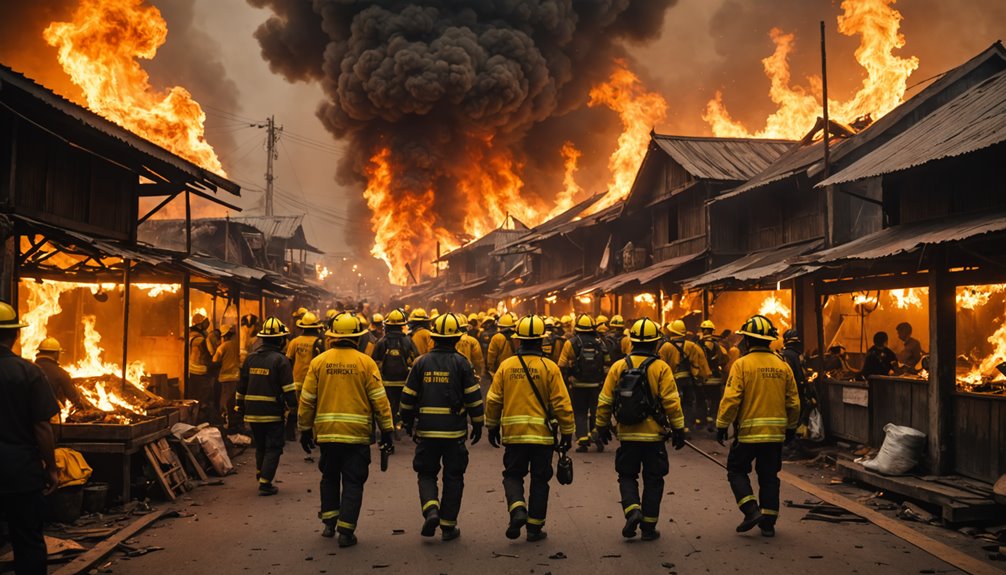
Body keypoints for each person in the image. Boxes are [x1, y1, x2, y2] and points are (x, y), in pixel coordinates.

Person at [299, 313, 394, 548]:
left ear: (331, 336)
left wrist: (304, 429)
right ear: (357, 337)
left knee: (329, 477)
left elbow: (308, 399)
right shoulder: (365, 362)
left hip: (328, 435)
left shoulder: (319, 362)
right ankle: (346, 532)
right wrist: (388, 430)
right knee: (353, 481)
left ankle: (329, 524)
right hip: (357, 436)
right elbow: (379, 400)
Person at [594, 318, 686, 541]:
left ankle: (632, 510)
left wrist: (601, 425)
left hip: (627, 434)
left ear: (632, 341)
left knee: (627, 475)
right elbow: (672, 402)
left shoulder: (619, 366)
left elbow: (605, 400)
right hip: (654, 436)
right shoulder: (661, 367)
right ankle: (648, 527)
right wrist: (679, 428)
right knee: (654, 479)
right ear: (656, 342)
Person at [485, 315, 574, 542]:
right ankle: (534, 528)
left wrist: (492, 426)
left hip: (514, 437)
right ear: (540, 341)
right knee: (540, 480)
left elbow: (494, 400)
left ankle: (517, 510)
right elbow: (562, 404)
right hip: (542, 437)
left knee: (513, 475)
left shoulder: (506, 366)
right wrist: (567, 432)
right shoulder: (549, 367)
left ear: (519, 341)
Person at [398, 313, 484, 542]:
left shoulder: (421, 362)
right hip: (454, 432)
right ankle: (448, 526)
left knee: (426, 473)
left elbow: (407, 398)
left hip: (426, 431)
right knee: (454, 476)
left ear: (434, 337)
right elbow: (474, 398)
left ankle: (431, 510)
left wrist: (405, 420)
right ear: (456, 339)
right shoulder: (462, 363)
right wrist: (478, 423)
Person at [715, 315, 800, 538]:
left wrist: (722, 425)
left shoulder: (741, 365)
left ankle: (751, 510)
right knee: (769, 477)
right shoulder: (783, 366)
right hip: (774, 436)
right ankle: (768, 524)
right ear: (770, 340)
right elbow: (794, 402)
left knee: (736, 470)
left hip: (748, 435)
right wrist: (790, 429)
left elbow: (731, 399)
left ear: (749, 341)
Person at [0, 301, 59, 574]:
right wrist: (52, 467)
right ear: (15, 335)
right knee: (28, 541)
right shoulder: (29, 372)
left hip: (18, 469)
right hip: (20, 472)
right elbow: (42, 427)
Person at [236, 317, 296, 496]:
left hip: (252, 413)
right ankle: (265, 483)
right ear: (280, 340)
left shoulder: (250, 359)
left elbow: (241, 386)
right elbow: (288, 389)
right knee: (274, 446)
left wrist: (239, 406)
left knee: (261, 445)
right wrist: (294, 408)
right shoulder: (281, 360)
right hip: (272, 413)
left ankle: (261, 473)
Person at [558, 314, 610, 452]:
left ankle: (582, 441)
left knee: (580, 412)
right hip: (596, 385)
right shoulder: (600, 342)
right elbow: (607, 361)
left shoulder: (571, 342)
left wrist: (567, 380)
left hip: (577, 385)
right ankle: (597, 436)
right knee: (595, 411)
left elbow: (562, 364)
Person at [371, 308, 419, 436]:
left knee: (388, 405)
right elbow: (416, 358)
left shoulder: (382, 341)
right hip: (404, 381)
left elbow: (374, 361)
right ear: (402, 325)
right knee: (402, 404)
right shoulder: (408, 340)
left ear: (387, 325)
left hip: (386, 382)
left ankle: (389, 426)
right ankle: (402, 424)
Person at [659, 319, 711, 430]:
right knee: (688, 403)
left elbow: (661, 365)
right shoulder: (691, 346)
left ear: (672, 331)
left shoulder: (666, 347)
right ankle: (686, 426)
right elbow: (699, 362)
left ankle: (675, 426)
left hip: (673, 380)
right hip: (688, 380)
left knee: (673, 403)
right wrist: (703, 376)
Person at [188, 313, 219, 423]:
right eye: (205, 322)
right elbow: (211, 353)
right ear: (200, 325)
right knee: (203, 400)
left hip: (192, 372)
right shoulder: (199, 339)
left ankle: (195, 419)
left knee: (195, 399)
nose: (207, 324)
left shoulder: (191, 335)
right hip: (200, 372)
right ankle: (202, 421)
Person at [33, 337, 81, 408]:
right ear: (56, 354)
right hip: (48, 415)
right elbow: (74, 397)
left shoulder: (27, 368)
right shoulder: (60, 373)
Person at [699, 320, 728, 433]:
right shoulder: (719, 346)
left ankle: (703, 420)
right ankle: (712, 420)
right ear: (712, 331)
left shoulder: (697, 345)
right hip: (716, 377)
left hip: (704, 378)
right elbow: (725, 358)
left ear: (703, 330)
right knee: (715, 400)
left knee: (702, 399)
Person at [212, 326, 242, 432]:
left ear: (223, 336)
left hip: (225, 378)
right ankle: (234, 423)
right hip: (236, 377)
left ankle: (227, 424)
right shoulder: (234, 345)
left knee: (225, 402)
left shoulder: (222, 347)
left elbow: (214, 360)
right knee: (233, 402)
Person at [486, 312, 518, 378]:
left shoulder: (497, 337)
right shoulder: (519, 337)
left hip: (501, 371)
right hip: (517, 372)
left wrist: (491, 370)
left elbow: (491, 356)